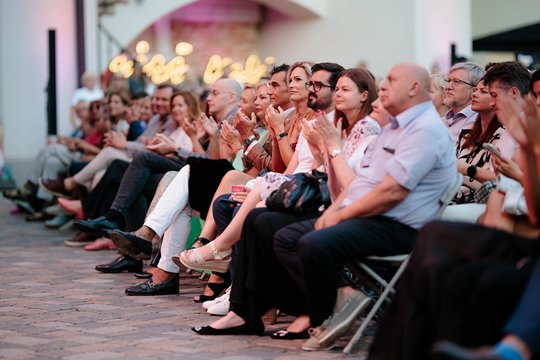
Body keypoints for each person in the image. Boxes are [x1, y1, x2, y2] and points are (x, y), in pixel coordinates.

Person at [267, 62, 456, 351]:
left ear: (414, 88)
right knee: (286, 237)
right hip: (371, 216)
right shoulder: (393, 127)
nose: (382, 87)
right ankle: (344, 295)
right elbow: (362, 183)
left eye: (391, 81)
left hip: (399, 226)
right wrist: (333, 211)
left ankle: (323, 319)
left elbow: (391, 192)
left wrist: (342, 214)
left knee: (313, 243)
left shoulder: (425, 130)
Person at [367, 62, 536, 360]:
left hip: (518, 229)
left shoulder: (517, 132)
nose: (536, 102)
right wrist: (525, 159)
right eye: (536, 95)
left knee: (445, 242)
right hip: (509, 219)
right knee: (434, 235)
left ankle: (508, 351)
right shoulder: (519, 133)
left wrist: (522, 163)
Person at [443, 62, 485, 144]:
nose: (448, 87)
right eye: (448, 81)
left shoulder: (478, 123)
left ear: (474, 91)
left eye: (456, 82)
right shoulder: (443, 120)